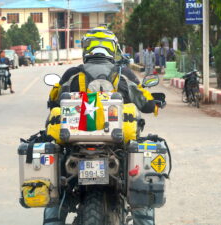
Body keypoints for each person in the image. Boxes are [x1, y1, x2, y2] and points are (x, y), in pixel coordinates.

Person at [44, 27, 157, 225]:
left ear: (86, 49)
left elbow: (53, 100)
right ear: (113, 49)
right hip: (116, 143)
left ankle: (52, 220)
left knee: (56, 185)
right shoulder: (124, 75)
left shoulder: (72, 74)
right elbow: (146, 102)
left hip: (74, 144)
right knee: (141, 177)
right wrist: (154, 103)